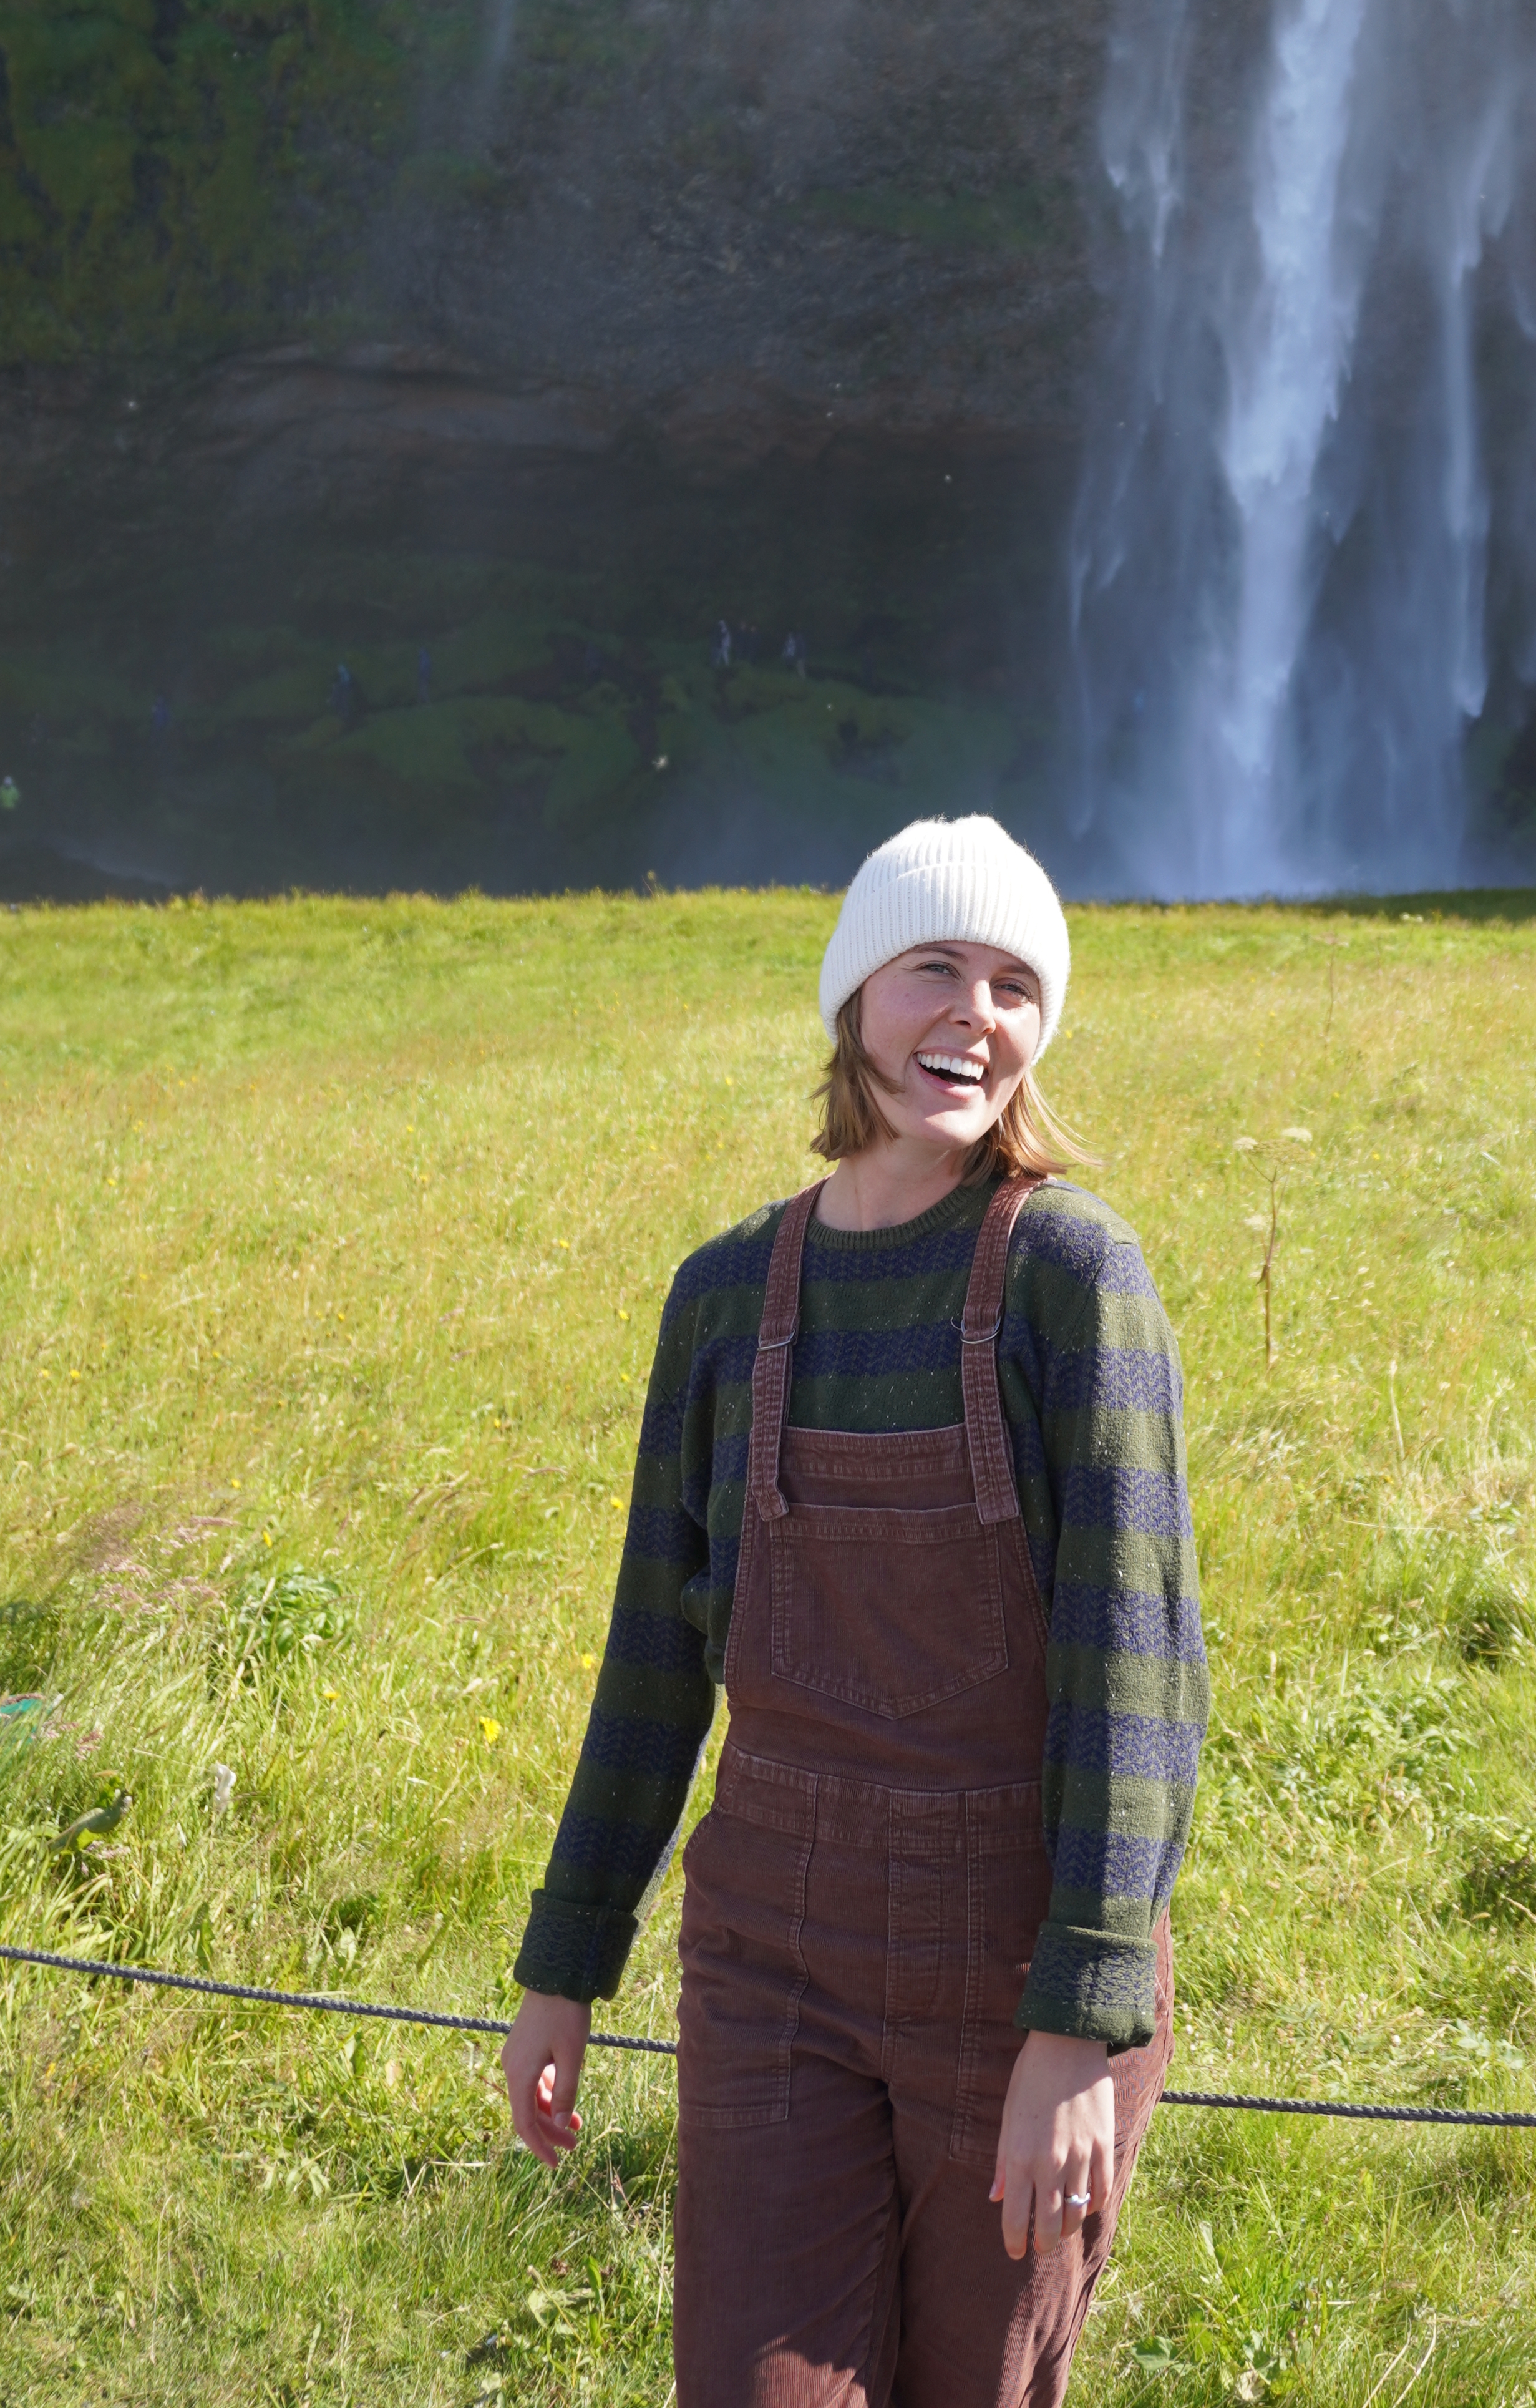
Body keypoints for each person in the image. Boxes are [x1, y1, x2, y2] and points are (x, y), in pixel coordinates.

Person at [503, 813, 1208, 2408]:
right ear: (851, 998)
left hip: (1013, 1956)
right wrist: (566, 1963)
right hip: (772, 1950)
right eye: (934, 969)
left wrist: (1079, 2023)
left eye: (1017, 984)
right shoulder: (724, 1294)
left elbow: (1137, 1669)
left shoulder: (1074, 1277)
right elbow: (651, 1664)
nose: (975, 1014)